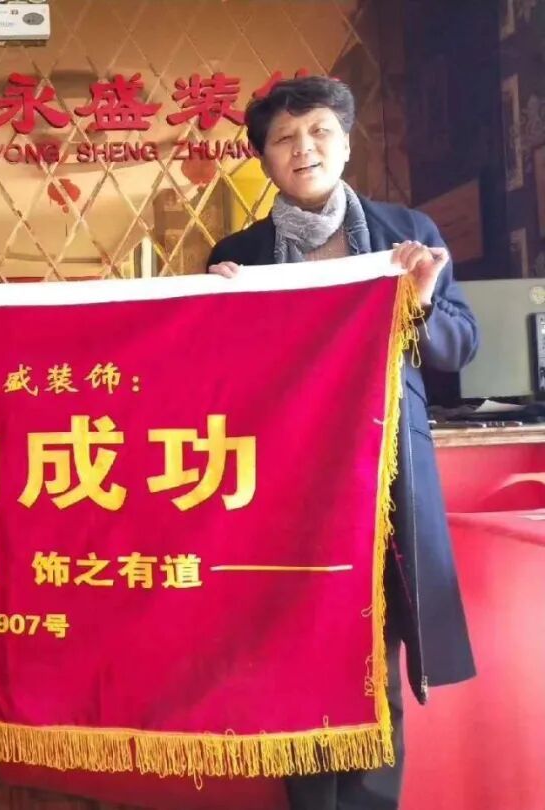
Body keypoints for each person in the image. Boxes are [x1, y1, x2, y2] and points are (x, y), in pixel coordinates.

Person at [206, 76, 477, 810]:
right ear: (264, 159)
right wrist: (216, 314)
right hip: (282, 490)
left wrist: (421, 302)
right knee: (293, 657)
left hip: (384, 484)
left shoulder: (405, 233)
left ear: (347, 143)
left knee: (375, 659)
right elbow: (213, 384)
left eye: (320, 131)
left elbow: (461, 345)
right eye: (284, 138)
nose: (305, 148)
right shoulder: (238, 254)